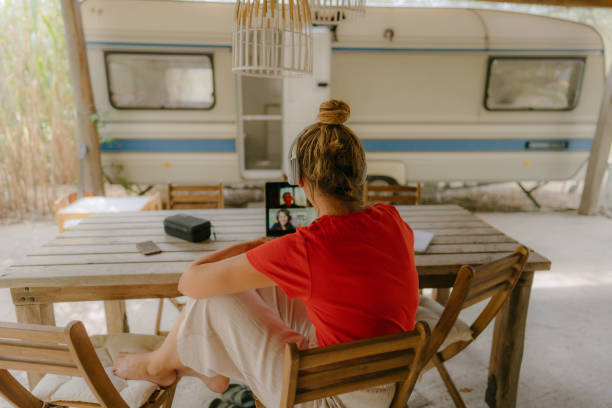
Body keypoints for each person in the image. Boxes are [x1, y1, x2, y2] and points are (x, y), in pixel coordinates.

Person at [112, 99, 420, 407]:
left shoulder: (308, 248)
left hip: (333, 397)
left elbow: (189, 283)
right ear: (362, 175)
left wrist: (253, 247)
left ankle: (158, 366)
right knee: (259, 286)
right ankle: (201, 364)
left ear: (299, 179)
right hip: (380, 376)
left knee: (215, 296)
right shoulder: (391, 219)